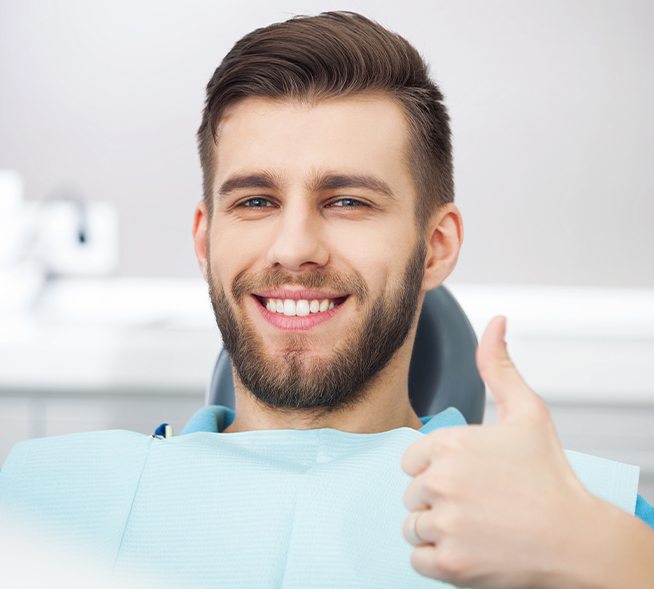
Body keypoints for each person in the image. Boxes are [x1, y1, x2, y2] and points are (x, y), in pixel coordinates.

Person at [1, 11, 653, 589]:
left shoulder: (592, 517)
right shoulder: (39, 495)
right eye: (256, 200)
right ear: (205, 240)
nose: (294, 247)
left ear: (436, 246)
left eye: (347, 200)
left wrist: (606, 557)